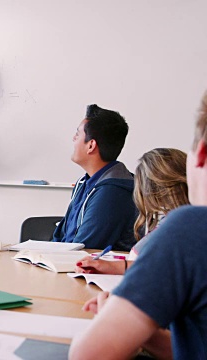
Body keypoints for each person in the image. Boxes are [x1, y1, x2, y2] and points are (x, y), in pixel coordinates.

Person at [69, 91, 207, 359]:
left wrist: (114, 316)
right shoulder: (86, 185)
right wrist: (149, 335)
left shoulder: (190, 229)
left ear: (200, 154)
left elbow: (89, 354)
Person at [75, 148, 189, 274]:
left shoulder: (179, 225)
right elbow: (154, 265)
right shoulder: (177, 220)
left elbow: (154, 265)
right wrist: (110, 266)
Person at [51, 104, 137, 251]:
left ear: (91, 145)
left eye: (77, 134)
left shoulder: (113, 193)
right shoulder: (84, 183)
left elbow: (84, 248)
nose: (73, 139)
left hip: (81, 269)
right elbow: (60, 236)